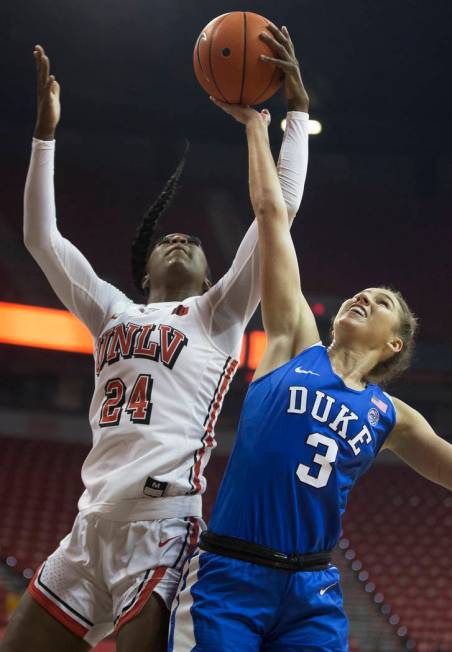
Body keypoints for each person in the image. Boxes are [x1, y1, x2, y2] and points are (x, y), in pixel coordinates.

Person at [0, 25, 310, 652]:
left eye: (195, 242)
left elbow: (280, 212)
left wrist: (296, 117)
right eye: (170, 238)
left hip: (165, 525)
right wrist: (45, 134)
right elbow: (42, 238)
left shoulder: (219, 313)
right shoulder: (110, 309)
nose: (182, 239)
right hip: (89, 527)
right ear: (144, 273)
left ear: (208, 272)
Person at [168, 35, 452, 652]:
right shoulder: (295, 342)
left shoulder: (390, 415)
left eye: (380, 302)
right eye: (362, 292)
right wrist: (256, 126)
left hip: (312, 592)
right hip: (230, 574)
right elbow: (272, 216)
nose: (363, 298)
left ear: (395, 344)